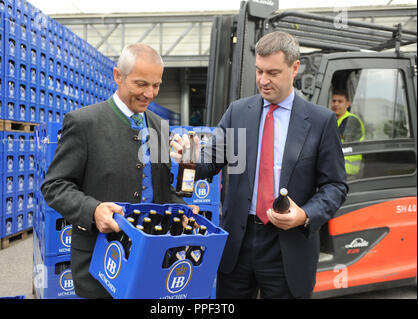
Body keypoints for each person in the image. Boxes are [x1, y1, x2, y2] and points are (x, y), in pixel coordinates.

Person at [171, 31, 348, 298]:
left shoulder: (320, 122)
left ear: (294, 68)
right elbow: (211, 160)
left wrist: (304, 215)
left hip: (288, 246)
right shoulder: (238, 112)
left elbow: (335, 185)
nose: (263, 81)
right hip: (239, 244)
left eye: (273, 73)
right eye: (259, 71)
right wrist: (189, 155)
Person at [41, 43, 197, 299]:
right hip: (101, 263)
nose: (150, 93)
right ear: (117, 76)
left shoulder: (159, 127)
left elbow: (161, 187)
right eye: (141, 84)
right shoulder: (83, 123)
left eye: (156, 85)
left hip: (151, 260)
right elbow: (55, 185)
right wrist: (93, 210)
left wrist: (180, 206)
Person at [331, 89, 365, 176]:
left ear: (347, 104)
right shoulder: (335, 120)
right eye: (334, 101)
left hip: (348, 171)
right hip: (338, 169)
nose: (336, 104)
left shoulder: (351, 120)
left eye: (340, 101)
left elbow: (337, 143)